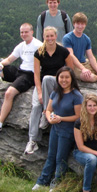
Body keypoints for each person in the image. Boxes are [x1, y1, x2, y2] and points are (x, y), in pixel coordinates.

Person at [0, 23, 43, 135]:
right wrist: (0, 65)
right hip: (20, 71)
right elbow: (10, 59)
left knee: (9, 93)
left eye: (26, 32)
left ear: (32, 32)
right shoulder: (21, 45)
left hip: (29, 75)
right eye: (22, 32)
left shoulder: (38, 45)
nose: (24, 34)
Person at [25, 26, 74, 154]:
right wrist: (40, 92)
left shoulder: (63, 51)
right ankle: (32, 141)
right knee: (36, 105)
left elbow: (70, 71)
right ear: (44, 38)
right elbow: (36, 74)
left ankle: (46, 113)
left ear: (55, 36)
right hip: (43, 83)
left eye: (52, 36)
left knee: (47, 79)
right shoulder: (39, 52)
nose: (50, 38)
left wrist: (67, 85)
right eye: (47, 36)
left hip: (59, 82)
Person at [32, 67, 83, 191]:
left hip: (68, 131)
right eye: (61, 77)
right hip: (55, 128)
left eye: (67, 77)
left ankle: (56, 183)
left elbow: (78, 116)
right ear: (58, 78)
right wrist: (50, 119)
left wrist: (61, 118)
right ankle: (42, 181)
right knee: (51, 155)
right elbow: (49, 109)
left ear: (71, 79)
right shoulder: (55, 92)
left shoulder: (76, 95)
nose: (64, 80)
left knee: (61, 158)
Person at [62, 12, 97, 83]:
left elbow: (91, 57)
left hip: (85, 62)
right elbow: (71, 55)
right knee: (88, 77)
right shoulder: (67, 38)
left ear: (85, 25)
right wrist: (83, 69)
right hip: (74, 65)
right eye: (78, 24)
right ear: (74, 24)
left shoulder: (86, 39)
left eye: (82, 24)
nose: (80, 26)